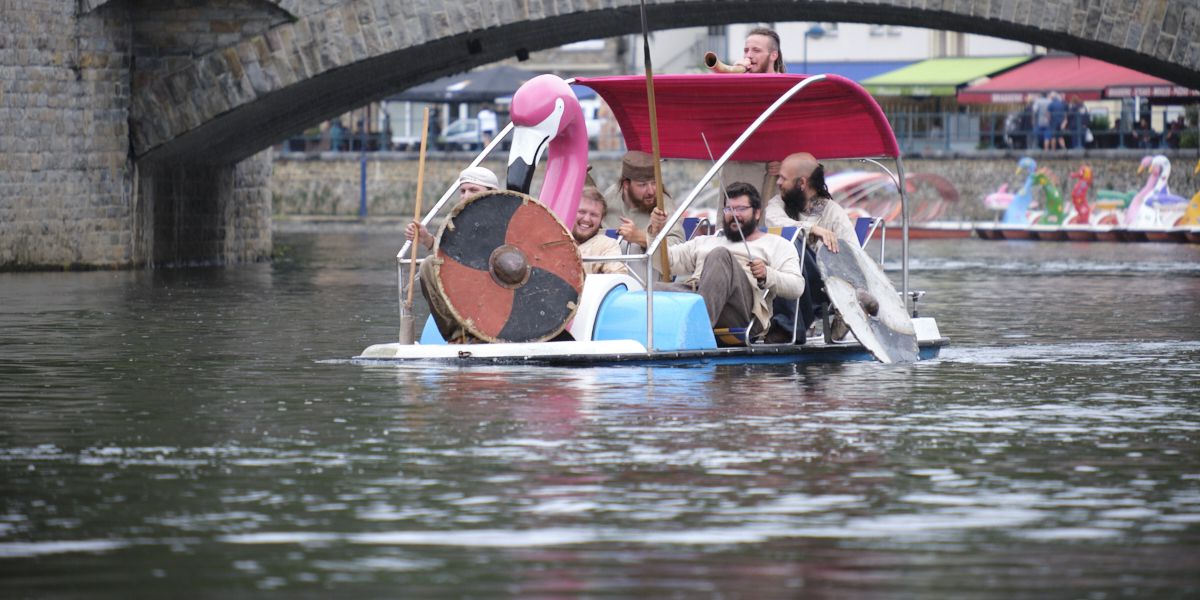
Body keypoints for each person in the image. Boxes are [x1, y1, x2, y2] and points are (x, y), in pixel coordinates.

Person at [661, 182, 804, 341]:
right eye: (729, 209)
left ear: (757, 213)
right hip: (699, 295)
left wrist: (767, 275)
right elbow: (666, 262)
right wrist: (655, 232)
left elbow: (797, 286)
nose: (734, 214)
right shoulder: (707, 241)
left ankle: (695, 335)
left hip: (743, 312)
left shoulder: (777, 244)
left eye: (741, 209)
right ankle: (652, 341)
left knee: (720, 255)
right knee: (655, 290)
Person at [763, 152, 860, 343]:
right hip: (783, 280)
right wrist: (811, 229)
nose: (778, 182)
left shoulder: (834, 213)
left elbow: (853, 257)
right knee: (783, 244)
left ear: (801, 183)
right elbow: (773, 222)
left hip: (821, 287)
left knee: (792, 245)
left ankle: (788, 328)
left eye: (783, 178)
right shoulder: (778, 204)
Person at [722, 27, 784, 198]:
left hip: (776, 174)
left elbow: (802, 131)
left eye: (756, 50)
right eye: (746, 50)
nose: (749, 55)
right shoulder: (736, 84)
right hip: (740, 168)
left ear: (773, 55)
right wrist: (732, 80)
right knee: (735, 214)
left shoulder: (789, 86)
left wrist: (789, 162)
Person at [602, 150, 684, 254]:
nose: (651, 191)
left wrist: (641, 238)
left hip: (647, 264)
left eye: (654, 183)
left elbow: (677, 245)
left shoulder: (663, 203)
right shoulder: (611, 196)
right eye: (642, 185)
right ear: (626, 185)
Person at [404, 166, 500, 250]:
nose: (466, 196)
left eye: (473, 190)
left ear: (492, 193)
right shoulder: (456, 220)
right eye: (463, 191)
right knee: (428, 262)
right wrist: (425, 238)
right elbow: (450, 252)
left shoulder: (504, 219)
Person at [572, 186, 627, 275]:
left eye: (594, 215)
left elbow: (617, 274)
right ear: (570, 211)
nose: (586, 219)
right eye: (582, 212)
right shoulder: (554, 237)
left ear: (601, 219)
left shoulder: (607, 244)